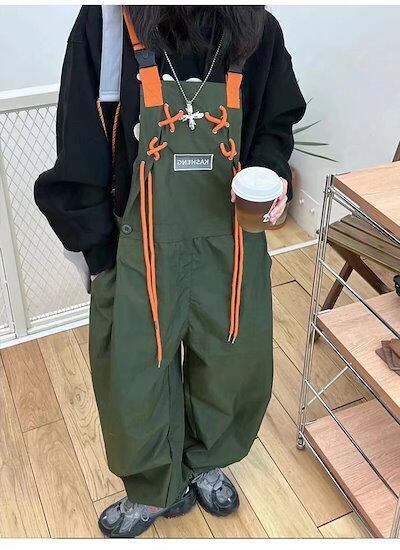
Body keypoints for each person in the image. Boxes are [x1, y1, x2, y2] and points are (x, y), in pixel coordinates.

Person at [34, 5, 306, 538]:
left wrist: (272, 174)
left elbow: (274, 122)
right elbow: (80, 140)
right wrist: (101, 257)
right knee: (133, 377)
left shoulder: (257, 28)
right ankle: (153, 487)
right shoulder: (107, 26)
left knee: (231, 363)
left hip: (232, 241)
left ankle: (206, 460)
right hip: (134, 247)